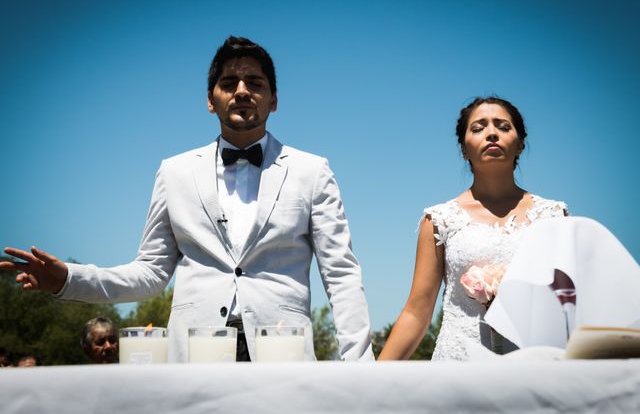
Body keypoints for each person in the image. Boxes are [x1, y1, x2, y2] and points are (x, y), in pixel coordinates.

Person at [1, 36, 374, 362]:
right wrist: (69, 278)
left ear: (273, 100)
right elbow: (150, 273)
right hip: (195, 357)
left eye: (255, 83)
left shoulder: (313, 170)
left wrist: (360, 366)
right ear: (211, 100)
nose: (242, 90)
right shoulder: (173, 172)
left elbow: (340, 275)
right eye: (229, 83)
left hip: (283, 353)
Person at [378, 96, 568, 361]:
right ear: (464, 149)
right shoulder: (440, 220)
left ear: (521, 144)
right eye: (478, 128)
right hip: (458, 365)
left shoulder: (554, 217)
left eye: (503, 126)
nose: (491, 133)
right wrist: (371, 382)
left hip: (536, 365)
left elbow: (569, 304)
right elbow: (416, 313)